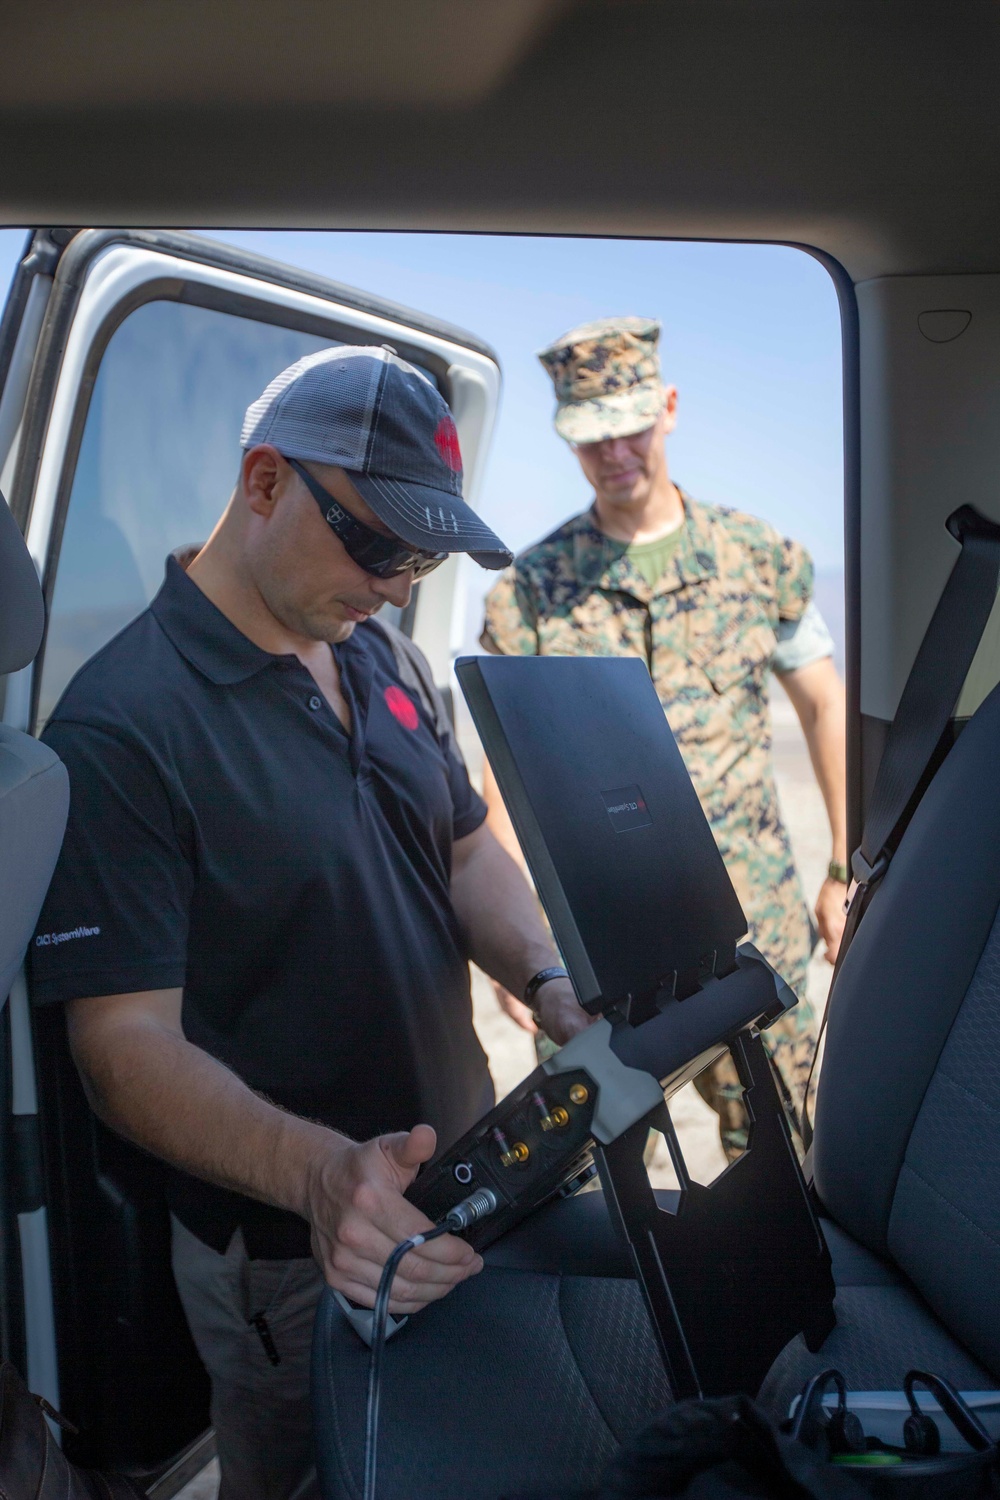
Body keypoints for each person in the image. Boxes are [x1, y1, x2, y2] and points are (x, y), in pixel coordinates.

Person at [30, 345, 588, 1500]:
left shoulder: (379, 654)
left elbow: (464, 844)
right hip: (294, 1255)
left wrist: (545, 976)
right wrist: (322, 1176)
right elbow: (120, 1048)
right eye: (377, 542)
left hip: (466, 1179)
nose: (394, 586)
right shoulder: (124, 725)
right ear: (266, 481)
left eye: (420, 555)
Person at [481, 316, 847, 1157]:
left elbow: (826, 705)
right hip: (598, 951)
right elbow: (506, 775)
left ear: (669, 409)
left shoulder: (757, 557)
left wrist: (840, 869)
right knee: (591, 1175)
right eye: (590, 438)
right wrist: (519, 945)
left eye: (630, 428)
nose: (614, 453)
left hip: (752, 930)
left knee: (795, 1153)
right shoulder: (532, 591)